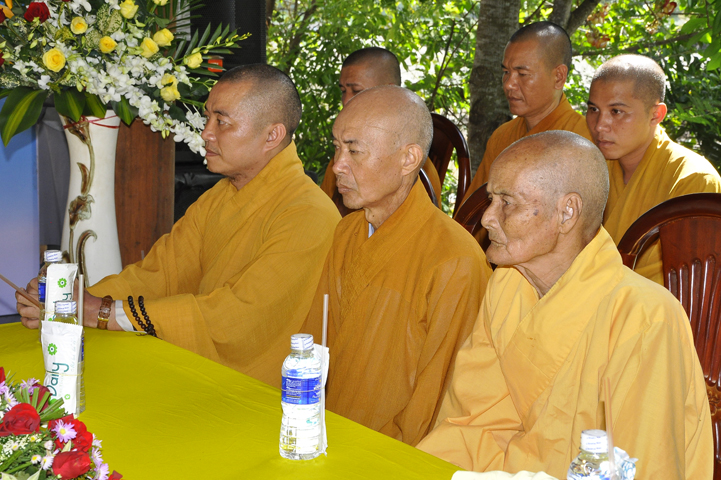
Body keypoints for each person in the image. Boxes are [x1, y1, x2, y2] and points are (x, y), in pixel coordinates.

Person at [16, 64, 341, 389]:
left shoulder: (308, 214)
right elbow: (160, 274)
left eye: (222, 122)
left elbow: (238, 316)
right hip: (199, 373)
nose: (206, 133)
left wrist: (101, 311)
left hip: (268, 394)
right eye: (207, 117)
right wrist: (67, 303)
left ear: (272, 135)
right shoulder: (219, 197)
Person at [417, 131, 712, 478]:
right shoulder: (507, 285)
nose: (486, 218)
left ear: (567, 212)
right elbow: (469, 424)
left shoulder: (644, 317)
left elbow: (640, 465)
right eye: (491, 200)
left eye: (507, 202)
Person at [302, 86, 492, 446]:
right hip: (322, 435)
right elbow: (314, 341)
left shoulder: (456, 261)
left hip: (391, 456)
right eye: (337, 148)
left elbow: (438, 402)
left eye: (354, 150)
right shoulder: (346, 232)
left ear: (408, 159)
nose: (337, 165)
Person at [587, 54, 721, 284]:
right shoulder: (590, 168)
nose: (600, 125)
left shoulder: (693, 180)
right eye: (593, 109)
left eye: (616, 111)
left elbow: (688, 286)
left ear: (656, 114)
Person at [461, 21, 590, 205]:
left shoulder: (585, 142)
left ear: (559, 76)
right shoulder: (502, 137)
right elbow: (471, 211)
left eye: (522, 74)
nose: (508, 84)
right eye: (506, 72)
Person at [320, 47, 443, 209]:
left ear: (389, 88)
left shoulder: (411, 169)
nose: (346, 101)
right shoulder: (343, 157)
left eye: (357, 91)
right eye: (344, 91)